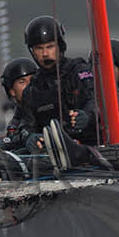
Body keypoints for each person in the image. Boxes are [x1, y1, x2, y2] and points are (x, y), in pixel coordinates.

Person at [19, 15, 98, 143]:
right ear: (32, 51)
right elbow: (25, 124)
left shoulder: (79, 71)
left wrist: (87, 115)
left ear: (60, 46)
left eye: (50, 47)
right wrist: (29, 137)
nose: (45, 54)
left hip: (87, 147)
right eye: (39, 48)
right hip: (51, 153)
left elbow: (96, 100)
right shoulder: (32, 90)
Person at [0, 56, 37, 149]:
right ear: (12, 91)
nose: (29, 85)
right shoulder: (16, 118)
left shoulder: (46, 108)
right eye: (22, 82)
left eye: (32, 80)